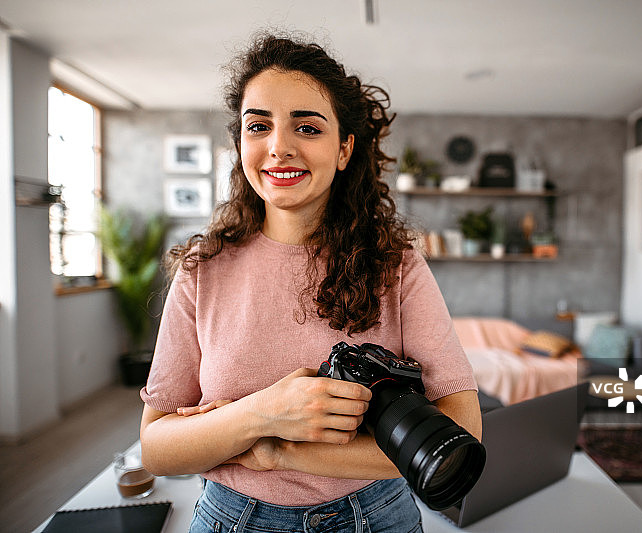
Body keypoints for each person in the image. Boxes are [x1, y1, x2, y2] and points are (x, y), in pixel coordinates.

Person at [139, 31, 481, 533]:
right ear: (240, 144)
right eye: (259, 126)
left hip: (377, 516)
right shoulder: (201, 270)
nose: (279, 147)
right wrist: (265, 413)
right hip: (233, 518)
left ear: (344, 149)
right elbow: (156, 448)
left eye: (307, 127)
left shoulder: (397, 264)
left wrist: (279, 453)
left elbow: (463, 434)